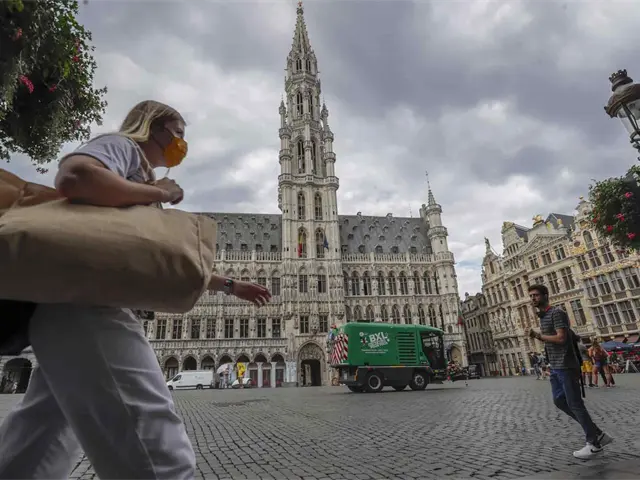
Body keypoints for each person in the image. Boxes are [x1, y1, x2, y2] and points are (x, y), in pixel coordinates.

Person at [0, 100, 272, 480]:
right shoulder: (123, 147)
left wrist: (229, 285)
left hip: (69, 307)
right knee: (157, 453)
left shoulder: (137, 177)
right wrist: (157, 193)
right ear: (152, 127)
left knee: (40, 441)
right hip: (89, 308)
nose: (181, 143)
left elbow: (149, 258)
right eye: (177, 133)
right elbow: (75, 177)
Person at [527, 284, 612, 460]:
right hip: (555, 366)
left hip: (566, 365)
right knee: (559, 400)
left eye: (536, 295)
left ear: (545, 295)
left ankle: (594, 443)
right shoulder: (544, 316)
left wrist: (538, 336)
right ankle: (597, 433)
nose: (533, 298)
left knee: (575, 404)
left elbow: (561, 338)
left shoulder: (556, 313)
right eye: (531, 296)